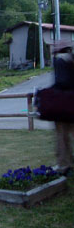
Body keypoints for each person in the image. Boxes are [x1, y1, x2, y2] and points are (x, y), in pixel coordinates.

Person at [52, 41, 74, 176]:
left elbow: (61, 82)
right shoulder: (72, 59)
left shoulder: (59, 61)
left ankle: (64, 165)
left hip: (62, 105)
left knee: (62, 137)